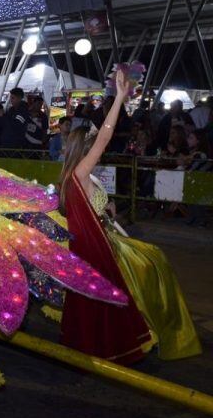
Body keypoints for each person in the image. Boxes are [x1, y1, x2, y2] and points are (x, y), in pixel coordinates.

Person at [59, 69, 201, 362]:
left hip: (106, 240)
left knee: (151, 260)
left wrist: (107, 209)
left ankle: (149, 327)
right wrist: (120, 98)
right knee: (152, 263)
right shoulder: (81, 172)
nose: (100, 143)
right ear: (87, 148)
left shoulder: (80, 176)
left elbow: (92, 206)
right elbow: (107, 136)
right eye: (95, 142)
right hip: (100, 249)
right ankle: (154, 328)